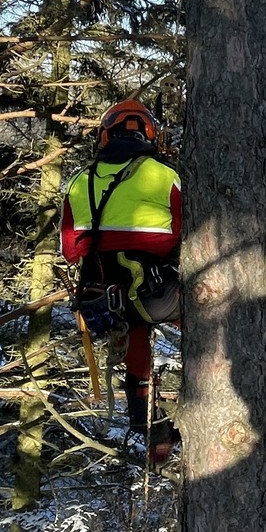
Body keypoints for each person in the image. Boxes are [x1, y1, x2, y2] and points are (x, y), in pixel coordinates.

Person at [61, 99, 182, 463]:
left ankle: (150, 431)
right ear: (150, 135)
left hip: (103, 296)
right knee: (207, 309)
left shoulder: (81, 181)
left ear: (104, 135)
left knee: (135, 342)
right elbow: (188, 230)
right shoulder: (166, 176)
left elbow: (70, 250)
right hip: (158, 291)